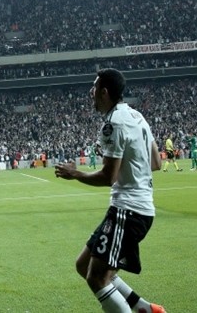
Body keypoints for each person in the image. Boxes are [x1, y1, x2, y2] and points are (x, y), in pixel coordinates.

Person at [54, 69, 166, 313]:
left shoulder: (113, 123)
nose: (91, 93)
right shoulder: (137, 116)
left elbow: (108, 177)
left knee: (97, 277)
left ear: (104, 92)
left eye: (94, 88)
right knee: (84, 265)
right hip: (134, 209)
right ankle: (145, 309)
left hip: (129, 211)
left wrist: (75, 174)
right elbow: (156, 163)